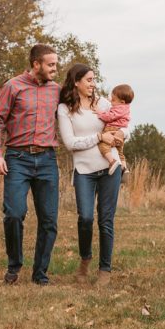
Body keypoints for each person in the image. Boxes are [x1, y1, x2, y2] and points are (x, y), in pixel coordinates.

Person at [0, 44, 61, 286]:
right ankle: (14, 265)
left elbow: (79, 110)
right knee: (14, 214)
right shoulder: (13, 86)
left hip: (47, 160)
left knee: (49, 220)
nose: (55, 69)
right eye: (51, 64)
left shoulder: (56, 90)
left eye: (56, 64)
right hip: (17, 159)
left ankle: (40, 273)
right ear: (36, 64)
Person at [56, 64, 126, 287]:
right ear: (76, 82)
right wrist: (99, 137)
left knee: (106, 219)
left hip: (110, 169)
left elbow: (125, 123)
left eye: (94, 79)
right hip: (84, 171)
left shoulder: (103, 103)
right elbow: (70, 143)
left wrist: (120, 134)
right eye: (88, 80)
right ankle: (85, 260)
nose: (93, 84)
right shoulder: (65, 109)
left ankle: (105, 269)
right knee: (85, 218)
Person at [97, 84, 134, 175]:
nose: (111, 101)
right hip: (120, 130)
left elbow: (110, 117)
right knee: (119, 151)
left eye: (113, 100)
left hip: (112, 129)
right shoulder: (125, 108)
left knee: (102, 145)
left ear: (122, 102)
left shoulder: (119, 108)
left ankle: (112, 161)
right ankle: (124, 168)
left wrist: (99, 114)